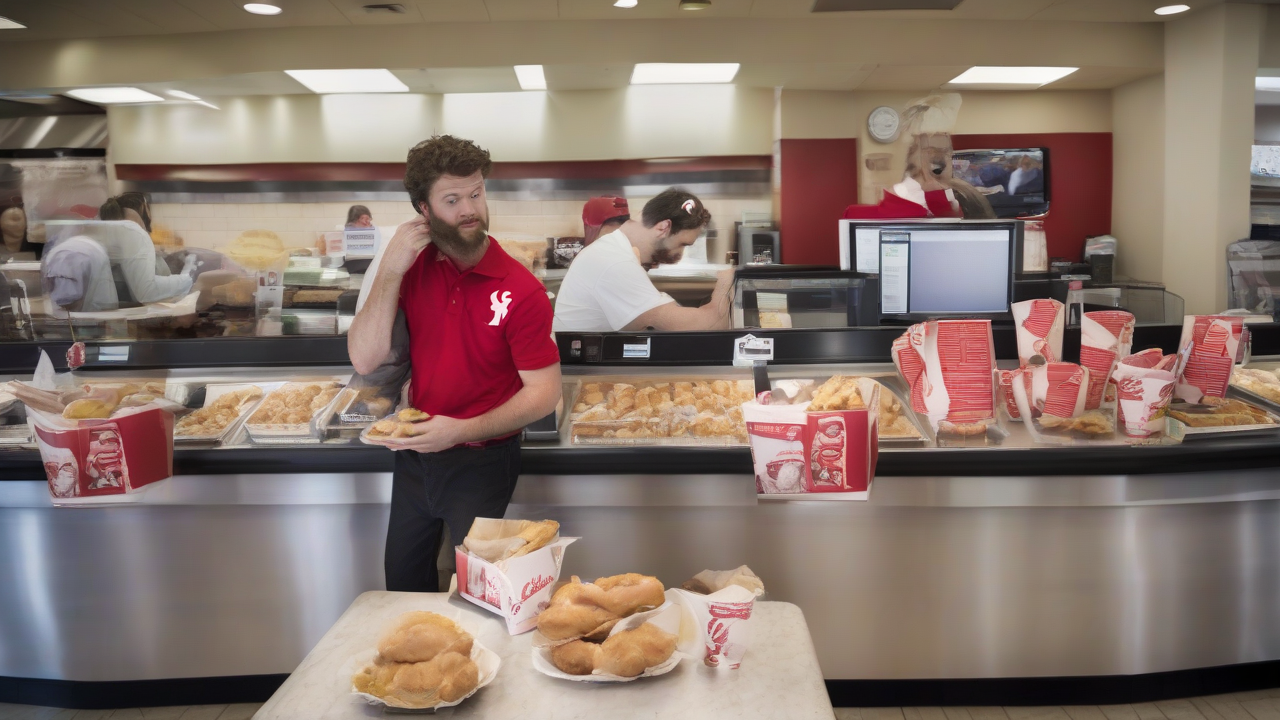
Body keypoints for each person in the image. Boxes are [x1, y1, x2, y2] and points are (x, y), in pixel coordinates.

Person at [347, 134, 562, 593]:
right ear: (423, 210)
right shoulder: (410, 269)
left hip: (483, 461)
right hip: (413, 454)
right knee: (402, 585)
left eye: (476, 194)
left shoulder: (520, 289)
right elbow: (365, 357)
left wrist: (459, 431)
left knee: (480, 593)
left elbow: (545, 393)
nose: (470, 209)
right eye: (452, 200)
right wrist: (390, 268)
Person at [552, 189, 734, 333]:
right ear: (663, 228)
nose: (679, 255)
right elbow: (710, 326)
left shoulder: (615, 249)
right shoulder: (615, 261)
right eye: (682, 244)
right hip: (580, 366)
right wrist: (727, 281)